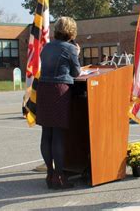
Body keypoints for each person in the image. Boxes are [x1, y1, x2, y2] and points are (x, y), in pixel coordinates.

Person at [36, 17, 81, 189]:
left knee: (46, 132)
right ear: (71, 31)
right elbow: (76, 73)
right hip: (58, 89)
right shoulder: (70, 48)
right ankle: (60, 177)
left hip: (43, 89)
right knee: (58, 135)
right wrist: (76, 53)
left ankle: (50, 174)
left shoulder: (46, 47)